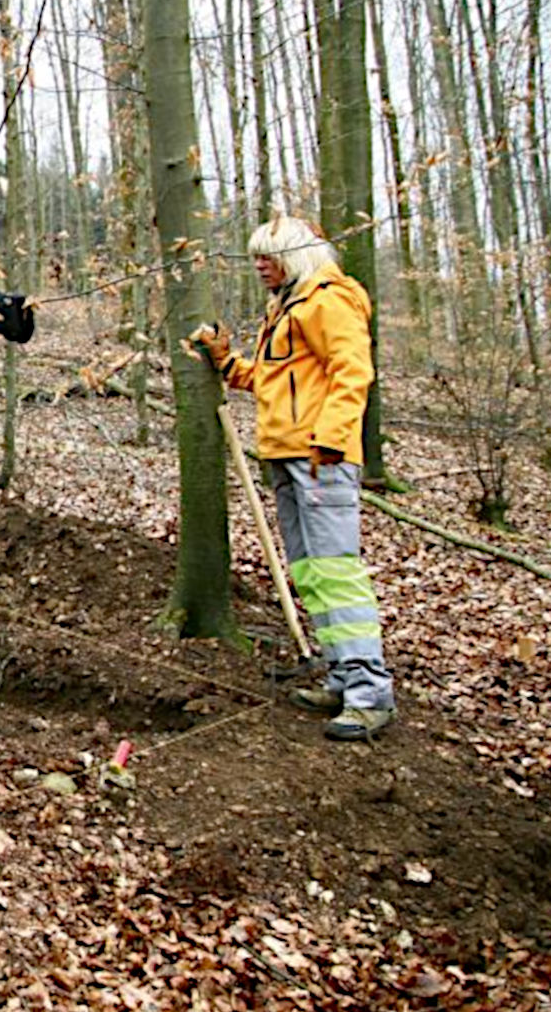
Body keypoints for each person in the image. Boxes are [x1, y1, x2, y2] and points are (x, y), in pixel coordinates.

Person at [188, 216, 395, 742]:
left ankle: (370, 693)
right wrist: (226, 361)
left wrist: (332, 436)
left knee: (336, 572)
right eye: (256, 256)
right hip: (285, 454)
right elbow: (271, 379)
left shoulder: (330, 301)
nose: (259, 265)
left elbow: (354, 371)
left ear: (296, 256)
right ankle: (343, 677)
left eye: (268, 256)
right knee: (311, 573)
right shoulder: (285, 307)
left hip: (320, 457)